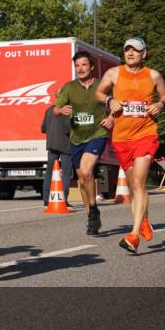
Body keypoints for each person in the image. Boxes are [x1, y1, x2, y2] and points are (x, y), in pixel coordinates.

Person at [96, 37, 165, 255]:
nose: (130, 53)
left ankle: (134, 235)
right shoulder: (114, 73)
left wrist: (160, 103)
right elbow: (99, 93)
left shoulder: (153, 75)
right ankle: (144, 219)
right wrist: (110, 101)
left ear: (143, 53)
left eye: (135, 50)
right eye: (127, 50)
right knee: (133, 187)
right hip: (121, 137)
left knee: (139, 183)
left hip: (146, 134)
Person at [53, 51, 114, 233]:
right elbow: (55, 109)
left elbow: (117, 104)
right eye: (77, 65)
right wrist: (61, 109)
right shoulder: (69, 87)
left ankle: (93, 208)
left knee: (87, 171)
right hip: (76, 138)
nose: (80, 69)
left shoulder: (101, 86)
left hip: (97, 133)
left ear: (92, 67)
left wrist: (111, 118)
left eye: (84, 65)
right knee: (82, 177)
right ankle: (91, 215)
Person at [40, 105, 72, 209]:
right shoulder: (67, 109)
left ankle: (46, 200)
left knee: (49, 173)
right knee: (66, 173)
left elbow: (43, 128)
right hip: (65, 145)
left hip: (51, 144)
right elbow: (68, 128)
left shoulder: (49, 109)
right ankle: (63, 199)